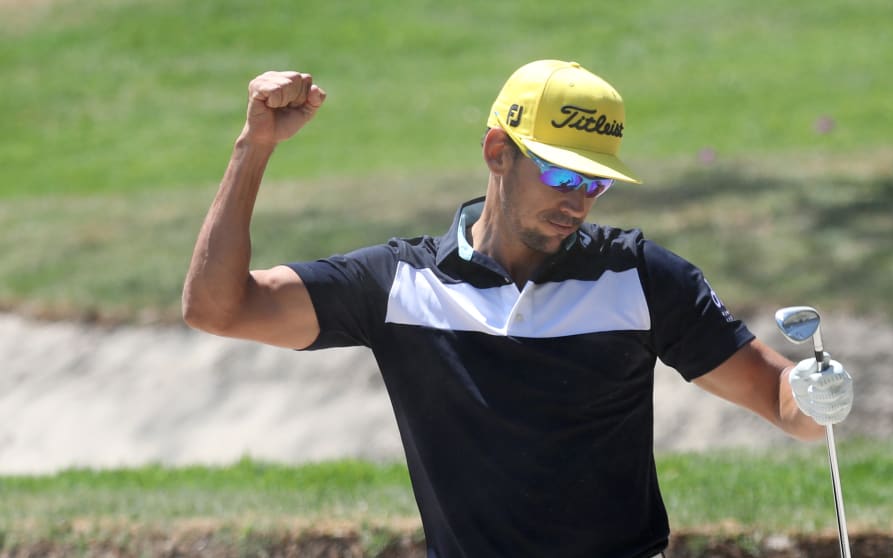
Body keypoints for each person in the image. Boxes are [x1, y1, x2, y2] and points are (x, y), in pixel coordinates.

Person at [183, 60, 854, 558]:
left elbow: (780, 403)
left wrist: (811, 393)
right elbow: (219, 308)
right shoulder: (397, 284)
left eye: (595, 181)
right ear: (497, 151)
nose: (578, 200)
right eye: (562, 174)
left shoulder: (640, 277)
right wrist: (255, 147)